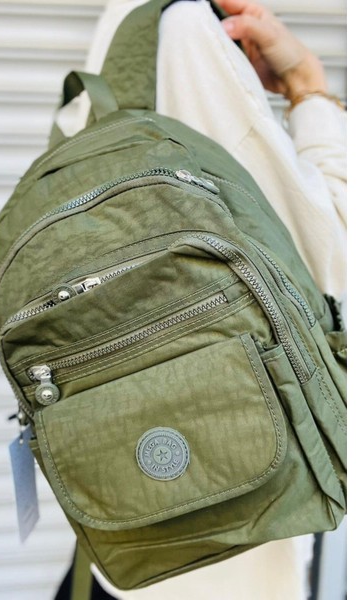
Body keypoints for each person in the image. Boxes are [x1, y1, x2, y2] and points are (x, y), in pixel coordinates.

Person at [54, 0, 347, 598]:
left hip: (127, 534)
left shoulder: (124, 24)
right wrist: (308, 87)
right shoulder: (189, 30)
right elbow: (338, 263)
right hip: (237, 546)